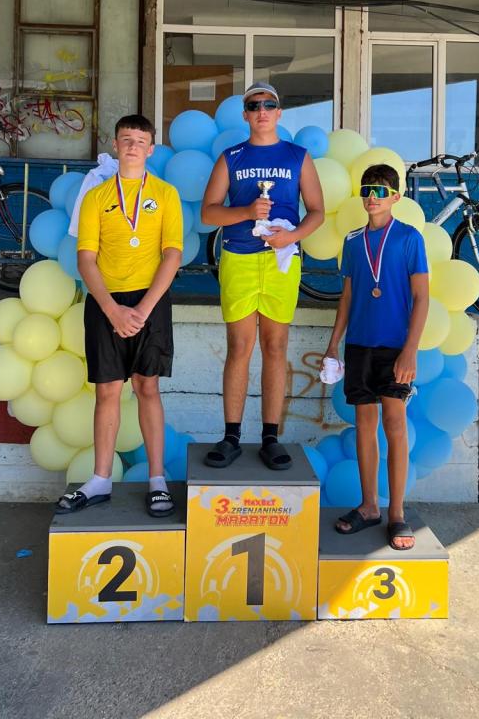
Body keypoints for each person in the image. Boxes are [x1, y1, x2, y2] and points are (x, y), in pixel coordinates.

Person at [56, 114, 183, 517]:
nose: (132, 146)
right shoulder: (96, 196)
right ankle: (100, 480)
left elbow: (173, 254)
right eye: (126, 139)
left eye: (140, 141)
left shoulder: (166, 194)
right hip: (105, 302)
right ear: (114, 145)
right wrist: (112, 310)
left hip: (151, 302)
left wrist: (143, 310)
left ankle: (157, 480)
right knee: (108, 390)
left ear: (151, 149)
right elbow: (85, 259)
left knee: (148, 387)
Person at [200, 82, 324, 470]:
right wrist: (245, 212)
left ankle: (271, 437)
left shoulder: (297, 155)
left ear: (279, 112)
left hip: (281, 260)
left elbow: (317, 211)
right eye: (254, 106)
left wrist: (292, 236)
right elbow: (208, 212)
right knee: (239, 347)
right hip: (238, 257)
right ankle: (231, 437)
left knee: (275, 346)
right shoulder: (231, 157)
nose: (262, 111)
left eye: (269, 104)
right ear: (245, 115)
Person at [323, 163, 429, 550]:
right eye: (367, 190)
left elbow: (422, 297)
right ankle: (369, 506)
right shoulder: (353, 241)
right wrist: (333, 345)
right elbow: (348, 297)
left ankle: (397, 513)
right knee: (364, 426)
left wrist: (410, 351)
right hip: (359, 346)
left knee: (395, 426)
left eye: (381, 191)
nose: (372, 197)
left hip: (395, 347)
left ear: (396, 197)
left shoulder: (409, 238)